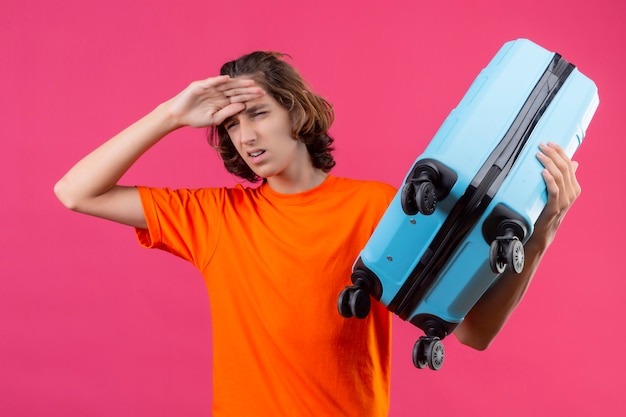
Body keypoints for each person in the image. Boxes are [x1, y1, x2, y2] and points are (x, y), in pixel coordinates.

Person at [54, 51, 581, 416]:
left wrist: (541, 231)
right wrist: (170, 115)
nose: (246, 136)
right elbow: (77, 192)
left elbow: (472, 334)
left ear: (296, 113)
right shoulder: (213, 216)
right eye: (232, 126)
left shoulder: (383, 207)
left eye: (258, 113)